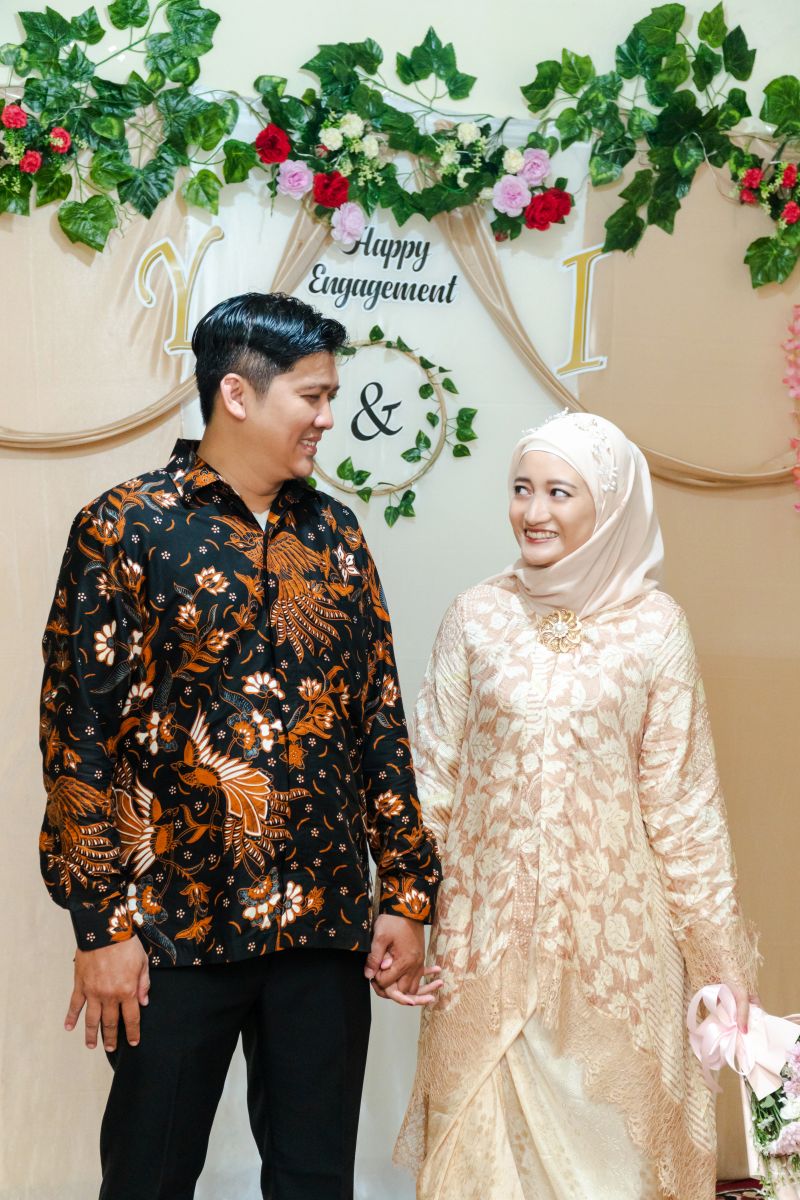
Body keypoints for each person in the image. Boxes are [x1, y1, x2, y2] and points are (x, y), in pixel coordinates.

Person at [38, 291, 442, 1200]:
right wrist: (100, 926)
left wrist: (407, 893)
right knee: (148, 1176)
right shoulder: (125, 527)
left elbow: (377, 718)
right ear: (237, 393)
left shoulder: (336, 535)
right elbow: (78, 736)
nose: (327, 417)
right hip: (170, 926)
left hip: (323, 923)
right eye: (312, 396)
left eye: (331, 396)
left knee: (315, 1180)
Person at [396, 411, 758, 1200]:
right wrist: (404, 910)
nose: (534, 511)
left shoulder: (656, 629)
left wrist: (718, 960)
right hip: (485, 947)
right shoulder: (476, 617)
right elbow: (433, 782)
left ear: (611, 503)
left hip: (617, 961)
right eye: (521, 489)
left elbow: (683, 805)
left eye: (559, 492)